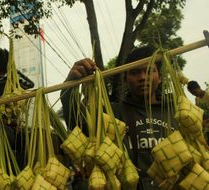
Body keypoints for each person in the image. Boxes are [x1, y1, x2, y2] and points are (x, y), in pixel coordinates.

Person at [61, 46, 177, 190]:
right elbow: (77, 122)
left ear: (159, 77)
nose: (142, 77)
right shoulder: (112, 113)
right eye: (135, 72)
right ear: (126, 79)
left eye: (149, 70)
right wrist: (68, 88)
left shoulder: (178, 113)